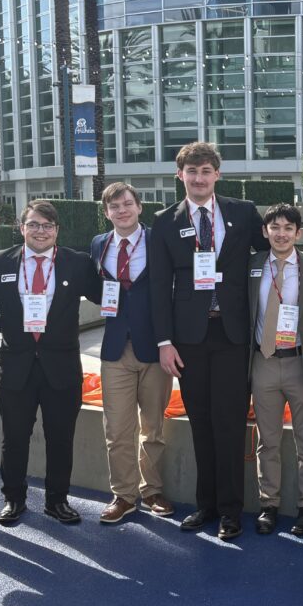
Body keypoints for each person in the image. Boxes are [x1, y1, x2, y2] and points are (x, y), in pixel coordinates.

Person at [149, 142, 269, 540]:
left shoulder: (242, 213)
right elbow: (158, 287)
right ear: (179, 174)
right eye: (191, 171)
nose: (199, 178)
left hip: (233, 334)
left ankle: (232, 511)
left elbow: (274, 250)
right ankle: (208, 505)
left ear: (218, 175)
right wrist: (165, 341)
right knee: (200, 422)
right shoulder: (165, 221)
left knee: (231, 423)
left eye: (206, 171)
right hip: (189, 340)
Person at [0, 200, 101, 526]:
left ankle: (57, 501)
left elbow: (107, 296)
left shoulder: (77, 263)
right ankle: (13, 499)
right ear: (22, 228)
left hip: (61, 370)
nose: (40, 231)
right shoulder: (1, 261)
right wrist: (8, 328)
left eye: (47, 225)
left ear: (57, 230)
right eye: (33, 224)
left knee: (60, 439)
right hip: (15, 368)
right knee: (14, 438)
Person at [90, 183, 174, 524]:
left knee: (152, 427)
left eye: (127, 204)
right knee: (117, 429)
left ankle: (151, 489)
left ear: (139, 207)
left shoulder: (159, 241)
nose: (122, 210)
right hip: (114, 349)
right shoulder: (98, 244)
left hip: (154, 347)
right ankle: (123, 495)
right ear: (107, 212)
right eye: (114, 206)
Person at [248, 204, 303, 536]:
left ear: (298, 233)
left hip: (300, 364)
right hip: (263, 363)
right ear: (265, 232)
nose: (281, 233)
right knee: (268, 440)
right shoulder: (251, 266)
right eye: (274, 227)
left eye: (288, 228)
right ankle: (269, 504)